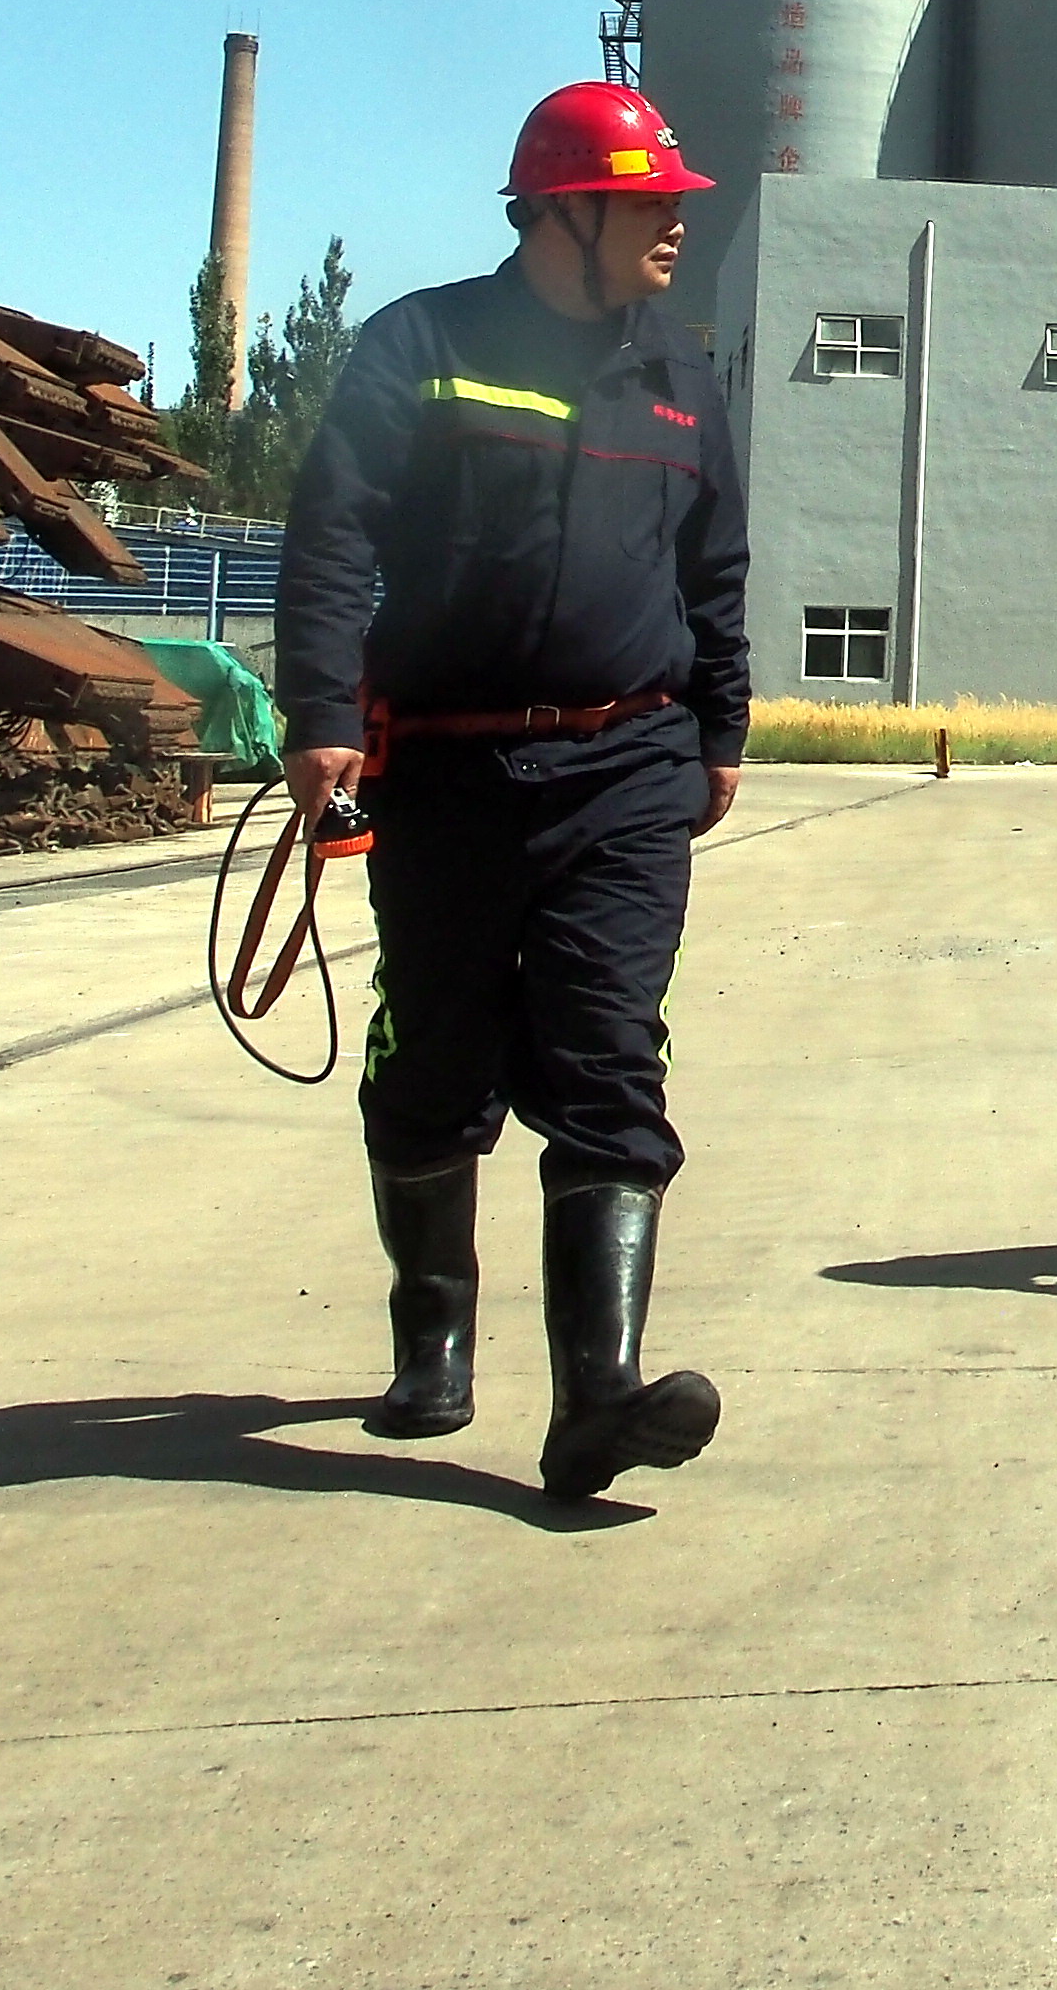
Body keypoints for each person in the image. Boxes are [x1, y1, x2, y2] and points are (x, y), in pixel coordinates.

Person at [277, 81, 749, 1502]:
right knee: (433, 1065)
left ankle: (594, 1403)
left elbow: (713, 561)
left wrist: (720, 727)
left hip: (628, 763)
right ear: (560, 211)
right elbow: (330, 534)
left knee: (611, 1063)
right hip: (450, 766)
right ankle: (434, 1331)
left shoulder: (676, 365)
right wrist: (315, 714)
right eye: (648, 204)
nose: (673, 226)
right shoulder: (421, 347)